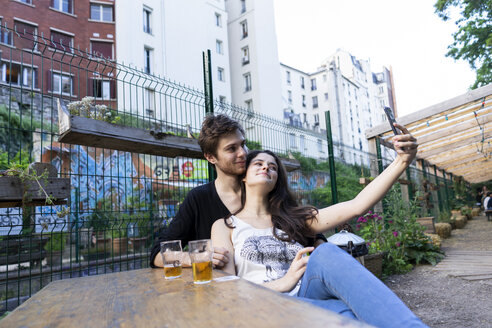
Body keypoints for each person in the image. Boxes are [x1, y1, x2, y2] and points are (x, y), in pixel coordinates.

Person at [211, 123, 428, 327]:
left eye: (273, 167)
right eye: (258, 164)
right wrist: (283, 283)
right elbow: (229, 290)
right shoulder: (225, 226)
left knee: (325, 252)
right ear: (243, 178)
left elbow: (356, 206)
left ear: (277, 180)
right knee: (349, 315)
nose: (266, 168)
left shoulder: (295, 219)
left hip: (306, 295)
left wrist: (402, 161)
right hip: (260, 305)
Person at [150, 114, 326, 268]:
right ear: (211, 157)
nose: (242, 153)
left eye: (243, 144)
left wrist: (320, 260)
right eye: (231, 149)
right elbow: (158, 254)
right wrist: (197, 257)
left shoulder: (264, 188)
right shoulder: (199, 199)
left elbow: (314, 235)